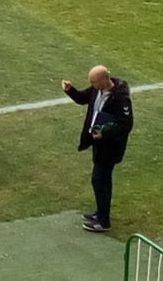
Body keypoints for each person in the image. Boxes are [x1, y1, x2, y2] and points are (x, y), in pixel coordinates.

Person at [62, 65, 134, 233]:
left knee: (100, 180)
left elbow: (126, 124)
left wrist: (105, 133)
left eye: (93, 81)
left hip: (110, 146)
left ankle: (104, 221)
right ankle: (100, 213)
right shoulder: (97, 90)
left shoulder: (120, 98)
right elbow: (82, 98)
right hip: (98, 143)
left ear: (103, 80)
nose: (91, 84)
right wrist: (70, 90)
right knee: (101, 180)